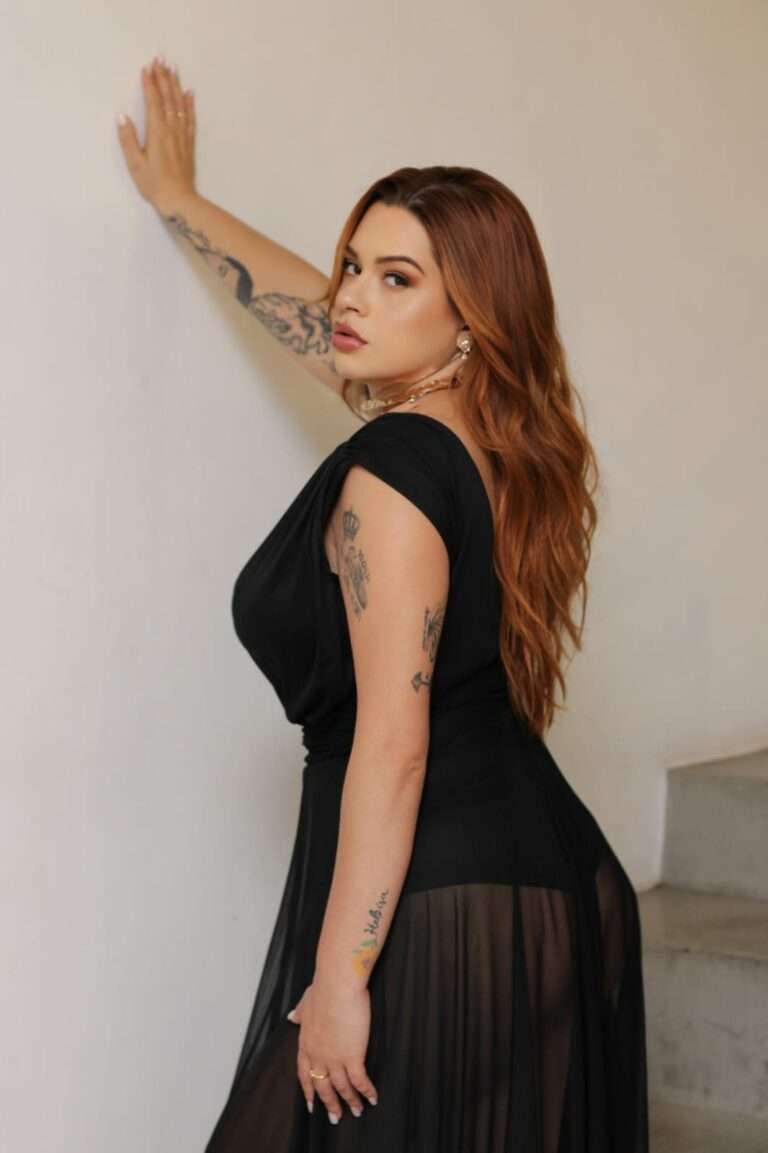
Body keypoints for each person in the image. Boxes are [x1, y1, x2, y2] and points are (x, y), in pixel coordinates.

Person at [118, 56, 650, 1153]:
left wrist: (342, 974)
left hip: (448, 905)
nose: (352, 296)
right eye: (353, 265)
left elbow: (394, 745)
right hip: (543, 876)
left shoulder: (393, 476)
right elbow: (319, 323)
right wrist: (181, 202)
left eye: (396, 278)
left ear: (470, 317)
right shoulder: (490, 434)